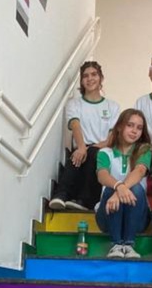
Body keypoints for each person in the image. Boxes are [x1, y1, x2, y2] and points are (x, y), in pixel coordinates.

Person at [49, 61, 120, 211]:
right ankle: (61, 195)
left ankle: (84, 201)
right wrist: (82, 147)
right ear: (81, 81)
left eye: (94, 74)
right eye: (85, 76)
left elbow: (112, 137)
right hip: (82, 147)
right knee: (76, 155)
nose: (90, 79)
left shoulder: (112, 106)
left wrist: (91, 148)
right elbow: (75, 125)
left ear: (101, 78)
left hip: (103, 149)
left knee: (92, 153)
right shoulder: (74, 104)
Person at [95, 109, 152, 258]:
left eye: (139, 128)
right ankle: (116, 245)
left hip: (137, 217)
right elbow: (102, 175)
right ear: (120, 127)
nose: (134, 131)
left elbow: (140, 170)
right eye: (130, 125)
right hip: (108, 216)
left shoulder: (144, 150)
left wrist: (121, 189)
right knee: (109, 190)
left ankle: (129, 245)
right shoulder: (105, 152)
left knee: (136, 189)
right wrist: (118, 187)